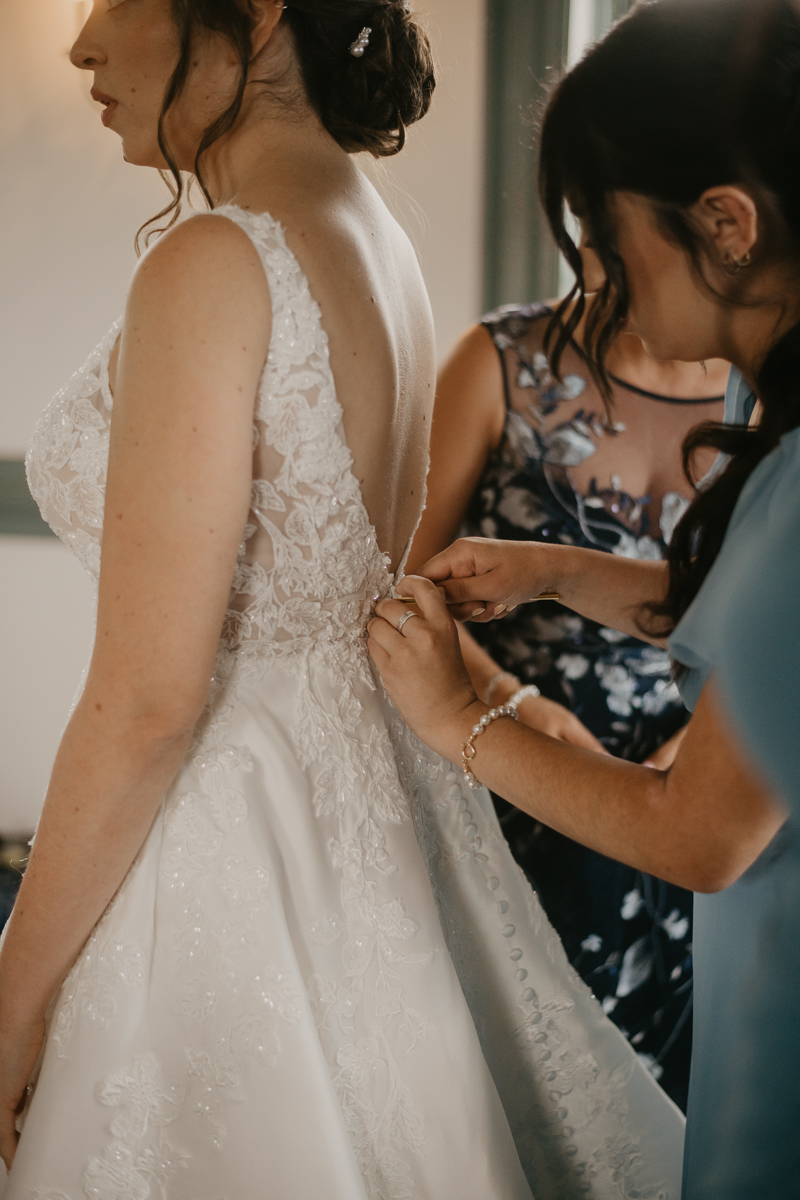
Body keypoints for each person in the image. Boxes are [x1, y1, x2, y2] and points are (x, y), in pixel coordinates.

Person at [0, 2, 684, 1198]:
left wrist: (9, 1006)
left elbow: (150, 702)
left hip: (224, 832)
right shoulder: (371, 232)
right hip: (356, 801)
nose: (80, 42)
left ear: (256, 12)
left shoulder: (216, 259)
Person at [368, 0, 800, 1194]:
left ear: (723, 224)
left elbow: (700, 833)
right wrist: (554, 567)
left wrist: (462, 719)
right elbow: (756, 623)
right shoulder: (775, 434)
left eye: (606, 239)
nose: (594, 277)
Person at [407, 269, 729, 1109]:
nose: (595, 265)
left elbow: (767, 612)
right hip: (511, 744)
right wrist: (508, 702)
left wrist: (704, 743)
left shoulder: (769, 395)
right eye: (578, 228)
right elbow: (403, 575)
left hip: (706, 758)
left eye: (611, 225)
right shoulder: (500, 361)